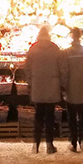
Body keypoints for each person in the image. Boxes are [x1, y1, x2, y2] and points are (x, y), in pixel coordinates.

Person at [23, 26, 66, 154]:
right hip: (52, 87)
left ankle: (35, 145)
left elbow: (26, 68)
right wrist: (62, 84)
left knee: (38, 116)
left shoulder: (33, 49)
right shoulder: (55, 49)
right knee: (49, 117)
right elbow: (62, 68)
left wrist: (31, 82)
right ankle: (49, 145)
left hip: (38, 87)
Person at [62, 27, 83, 151]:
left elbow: (64, 73)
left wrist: (65, 87)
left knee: (71, 118)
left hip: (70, 91)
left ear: (71, 36)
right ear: (81, 36)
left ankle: (73, 143)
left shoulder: (66, 53)